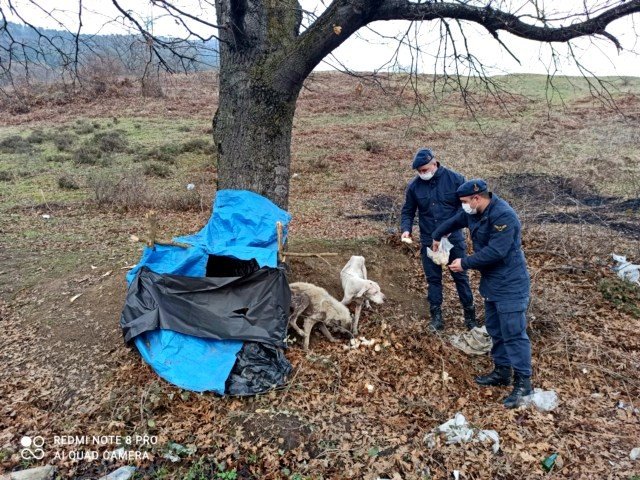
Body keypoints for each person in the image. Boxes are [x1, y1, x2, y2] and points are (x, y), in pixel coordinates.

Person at [431, 179, 532, 408]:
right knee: (496, 330)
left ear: (477, 198)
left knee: (513, 333)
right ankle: (502, 372)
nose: (463, 206)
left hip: (511, 284)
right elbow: (454, 221)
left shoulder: (504, 216)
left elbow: (497, 251)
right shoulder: (473, 211)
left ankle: (524, 383)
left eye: (465, 202)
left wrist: (465, 263)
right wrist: (438, 236)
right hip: (492, 284)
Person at [400, 148, 477, 332]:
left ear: (435, 163)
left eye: (425, 170)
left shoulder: (456, 180)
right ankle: (436, 317)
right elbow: (408, 211)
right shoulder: (414, 187)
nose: (422, 174)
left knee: (460, 277)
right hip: (429, 240)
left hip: (453, 240)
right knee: (433, 279)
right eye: (419, 171)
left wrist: (449, 229)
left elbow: (465, 207)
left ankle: (470, 317)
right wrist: (406, 230)